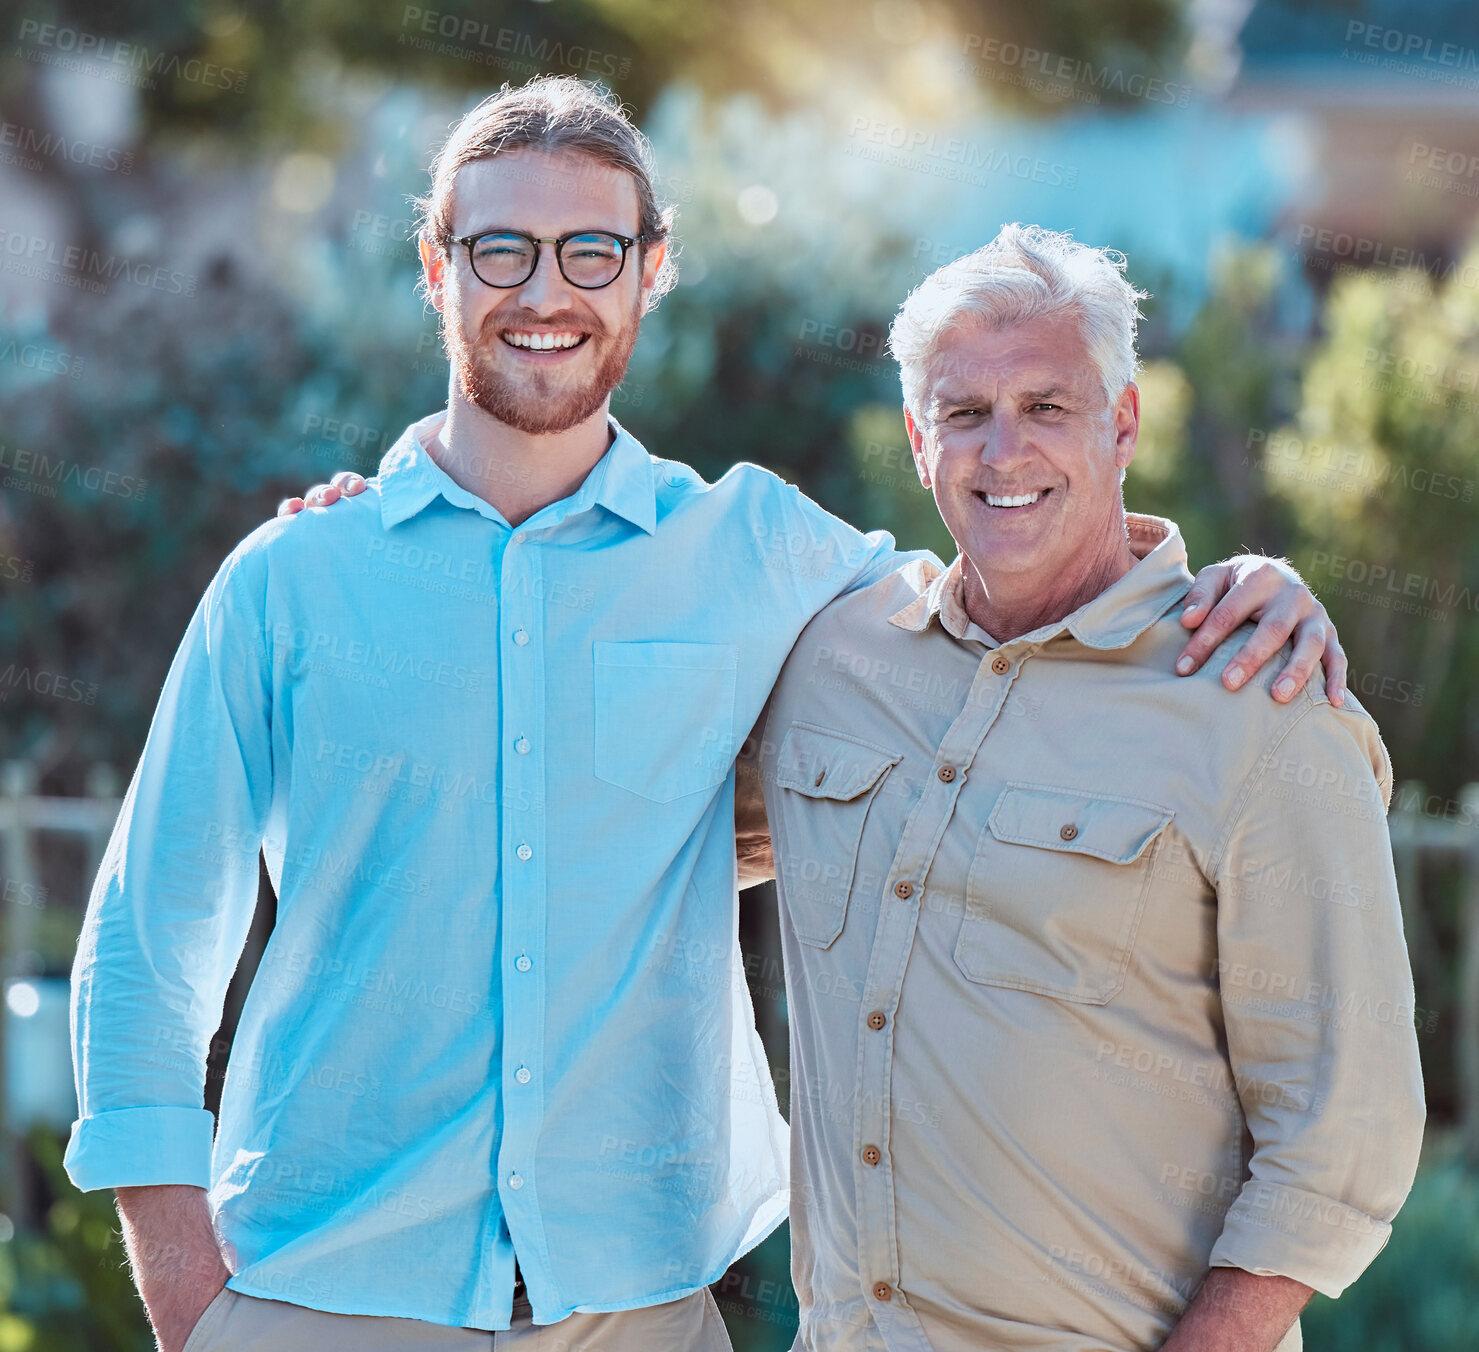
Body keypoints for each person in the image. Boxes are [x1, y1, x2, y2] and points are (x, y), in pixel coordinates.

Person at [68, 77, 1344, 1352]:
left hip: (645, 1315)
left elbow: (1007, 598)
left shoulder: (768, 553)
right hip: (320, 1303)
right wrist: (197, 1309)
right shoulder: (293, 580)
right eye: (499, 247)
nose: (544, 289)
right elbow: (142, 951)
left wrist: (1230, 583)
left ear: (652, 268)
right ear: (436, 268)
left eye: (592, 249)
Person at [739, 224, 1424, 1352]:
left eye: (1047, 406)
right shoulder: (829, 661)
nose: (1003, 451)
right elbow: (644, 832)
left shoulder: (1259, 704)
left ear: (1124, 422)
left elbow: (1344, 1129)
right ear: (919, 440)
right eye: (965, 414)